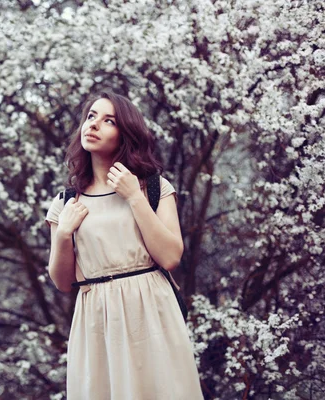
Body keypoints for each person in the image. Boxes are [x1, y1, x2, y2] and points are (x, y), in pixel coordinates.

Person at [45, 90, 204, 399]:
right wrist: (63, 233)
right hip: (97, 318)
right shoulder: (65, 202)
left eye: (108, 121)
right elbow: (62, 282)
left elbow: (170, 256)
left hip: (151, 310)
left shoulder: (154, 187)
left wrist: (133, 196)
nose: (93, 125)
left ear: (125, 135)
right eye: (91, 116)